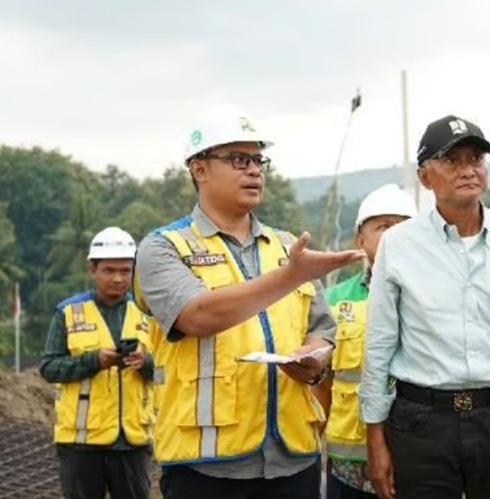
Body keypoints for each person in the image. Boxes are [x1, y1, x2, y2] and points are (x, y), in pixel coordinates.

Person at [133, 103, 364, 499]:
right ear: (198, 169)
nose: (254, 170)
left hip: (294, 458)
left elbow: (324, 330)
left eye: (259, 160)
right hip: (205, 468)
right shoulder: (163, 248)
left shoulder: (288, 246)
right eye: (239, 159)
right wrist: (289, 276)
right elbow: (198, 315)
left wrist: (314, 356)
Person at [360, 115, 490, 499]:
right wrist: (376, 436)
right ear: (425, 177)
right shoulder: (399, 245)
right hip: (421, 423)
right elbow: (380, 344)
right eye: (452, 161)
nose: (468, 170)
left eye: (476, 159)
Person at [313, 183, 418, 499]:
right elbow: (321, 382)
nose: (393, 235)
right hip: (349, 465)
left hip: (420, 458)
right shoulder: (332, 301)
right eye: (383, 226)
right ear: (360, 239)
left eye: (403, 226)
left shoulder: (442, 297)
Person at [40, 227, 154, 499]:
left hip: (132, 440)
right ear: (93, 269)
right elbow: (48, 367)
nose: (118, 278)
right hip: (81, 444)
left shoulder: (148, 313)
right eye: (109, 270)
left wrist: (146, 362)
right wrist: (94, 361)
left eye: (125, 271)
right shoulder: (68, 312)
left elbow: (169, 370)